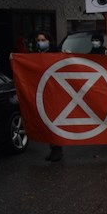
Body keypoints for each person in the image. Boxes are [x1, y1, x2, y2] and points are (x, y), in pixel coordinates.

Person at [34, 31, 64, 162]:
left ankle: (57, 148)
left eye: (43, 39)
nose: (40, 42)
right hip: (44, 92)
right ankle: (54, 148)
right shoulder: (36, 56)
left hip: (54, 92)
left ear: (49, 41)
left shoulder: (55, 54)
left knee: (54, 120)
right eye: (38, 40)